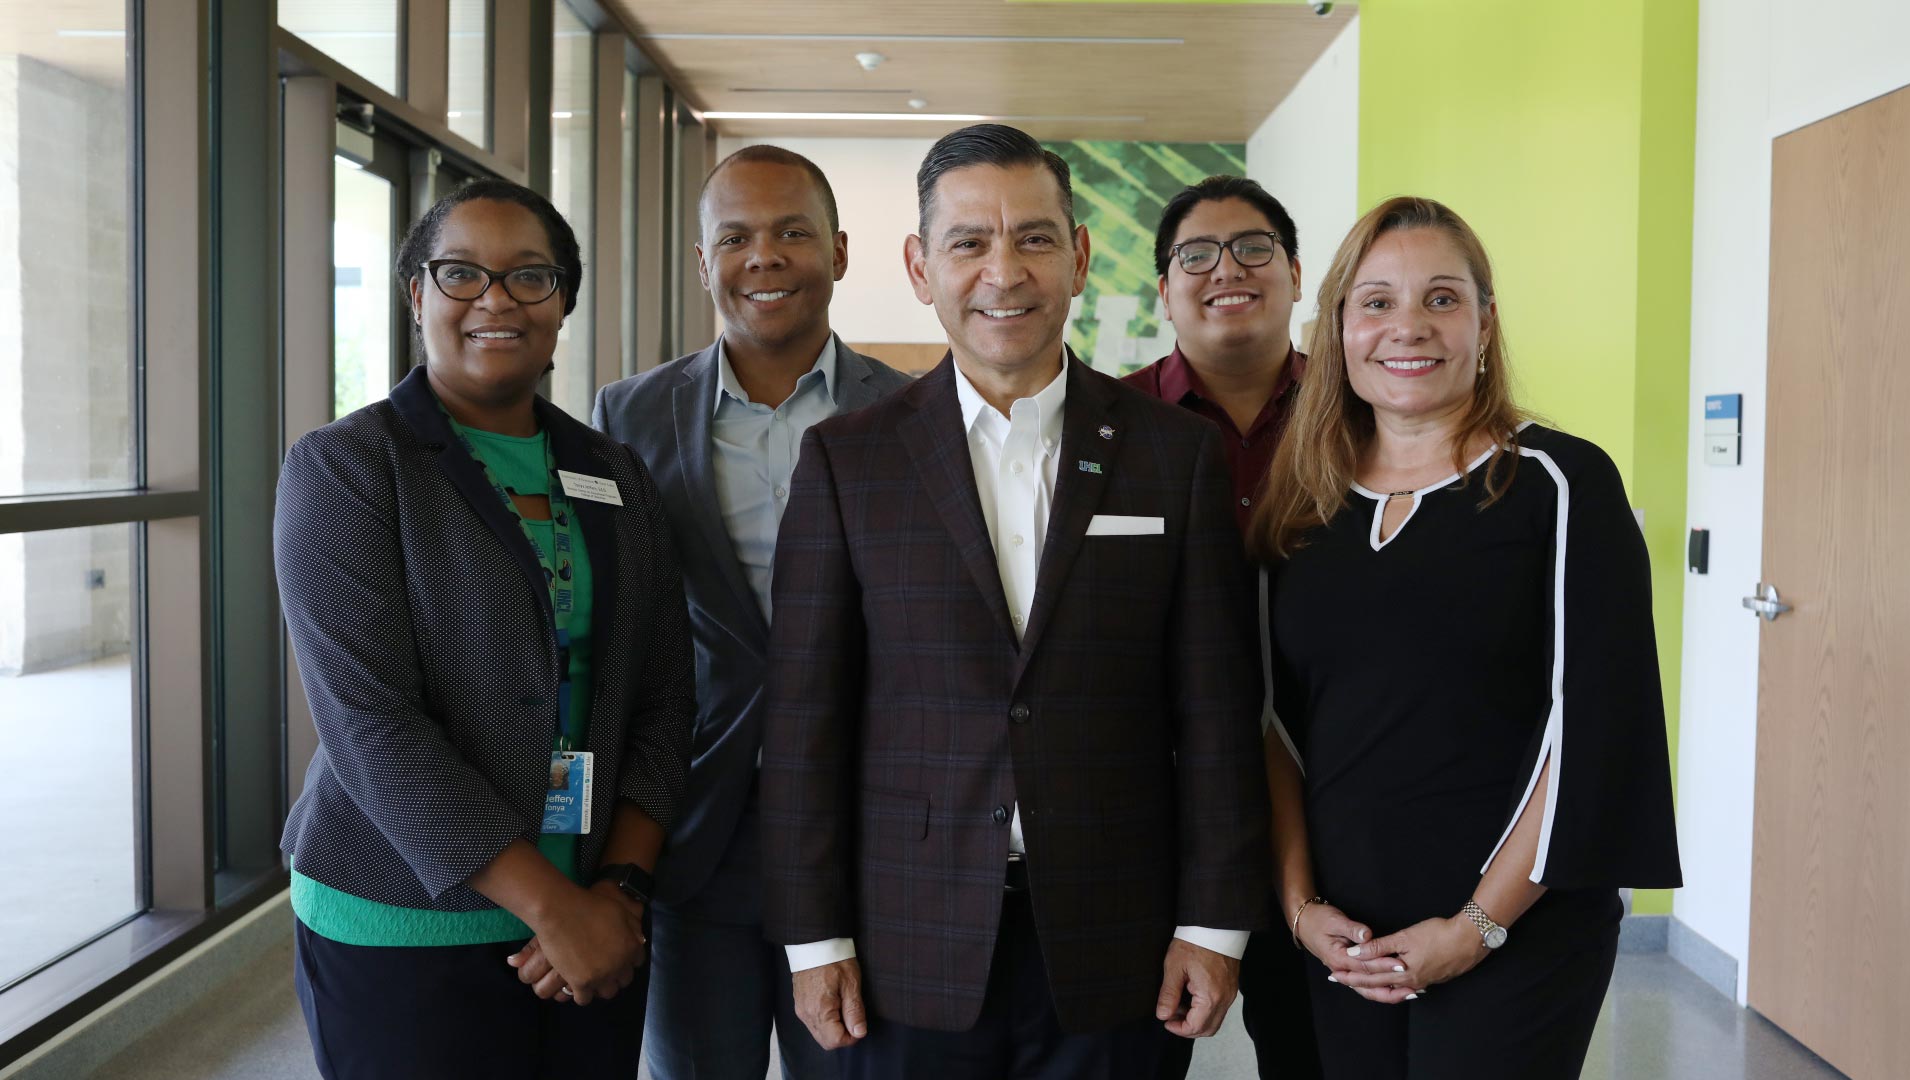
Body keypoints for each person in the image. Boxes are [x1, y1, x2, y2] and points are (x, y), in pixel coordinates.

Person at [759, 123, 1271, 1080]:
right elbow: (804, 720)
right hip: (903, 934)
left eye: (1035, 238)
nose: (1005, 272)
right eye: (968, 243)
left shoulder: (1174, 455)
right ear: (920, 267)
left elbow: (1215, 711)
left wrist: (1213, 924)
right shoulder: (847, 461)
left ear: (1077, 256)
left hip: (1120, 935)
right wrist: (813, 940)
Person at [1249, 196, 1682, 1080]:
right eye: (1376, 302)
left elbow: (1592, 727)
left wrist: (1476, 927)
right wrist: (1299, 909)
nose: (1409, 327)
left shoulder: (1559, 483)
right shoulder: (1302, 505)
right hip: (1344, 938)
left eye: (1442, 299)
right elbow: (1274, 724)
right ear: (1336, 327)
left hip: (1518, 929)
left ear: (1486, 322)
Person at [275, 178, 695, 1080]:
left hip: (597, 912)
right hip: (408, 916)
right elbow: (369, 724)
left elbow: (661, 696)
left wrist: (618, 889)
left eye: (529, 277)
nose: (496, 300)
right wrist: (555, 911)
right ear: (417, 294)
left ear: (563, 302)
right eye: (460, 273)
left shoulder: (613, 472)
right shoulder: (349, 467)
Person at [593, 144, 912, 1080]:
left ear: (842, 252)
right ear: (704, 263)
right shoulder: (628, 417)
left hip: (868, 829)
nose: (762, 256)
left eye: (792, 233)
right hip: (693, 824)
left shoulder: (916, 414)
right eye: (735, 237)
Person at [1123, 176, 1322, 1080]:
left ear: (1294, 272)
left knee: (1316, 1050)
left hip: (1329, 807)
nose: (1225, 270)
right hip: (1153, 818)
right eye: (1194, 255)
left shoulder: (1364, 418)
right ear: (1164, 289)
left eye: (1253, 249)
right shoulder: (1108, 426)